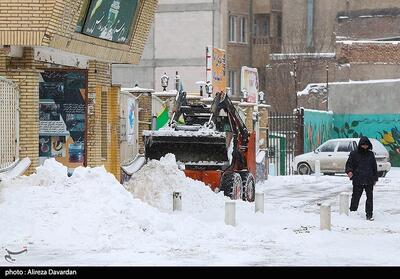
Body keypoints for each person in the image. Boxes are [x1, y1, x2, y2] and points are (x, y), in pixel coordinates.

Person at [345, 136, 378, 220]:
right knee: (355, 197)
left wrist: (375, 178)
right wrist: (349, 171)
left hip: (369, 179)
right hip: (357, 179)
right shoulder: (354, 153)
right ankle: (353, 213)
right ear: (360, 145)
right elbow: (349, 164)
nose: (365, 147)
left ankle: (369, 215)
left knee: (369, 198)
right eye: (363, 145)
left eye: (366, 145)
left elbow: (374, 166)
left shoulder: (371, 154)